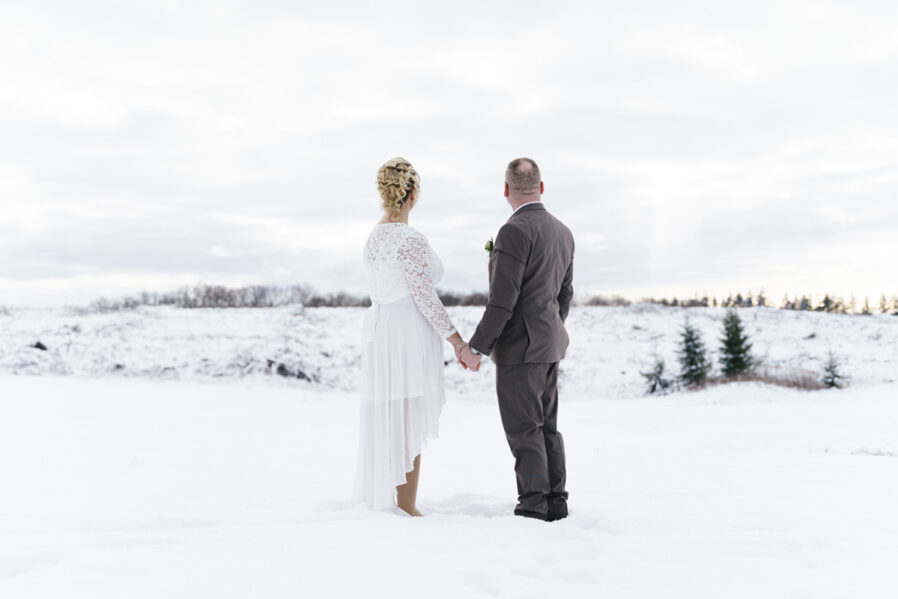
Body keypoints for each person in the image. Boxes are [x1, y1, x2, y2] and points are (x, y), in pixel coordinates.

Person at [458, 157, 575, 522]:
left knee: (525, 431)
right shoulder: (563, 231)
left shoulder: (513, 231)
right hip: (550, 345)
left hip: (521, 350)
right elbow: (565, 294)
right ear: (541, 187)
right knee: (547, 428)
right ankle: (555, 502)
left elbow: (502, 301)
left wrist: (476, 347)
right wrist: (549, 327)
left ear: (506, 190)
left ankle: (533, 507)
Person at [352, 157, 471, 516]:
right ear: (413, 195)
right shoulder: (410, 239)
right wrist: (458, 342)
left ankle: (394, 499)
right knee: (405, 414)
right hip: (406, 333)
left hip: (382, 331)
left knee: (392, 413)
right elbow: (425, 296)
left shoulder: (373, 238)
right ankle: (406, 506)